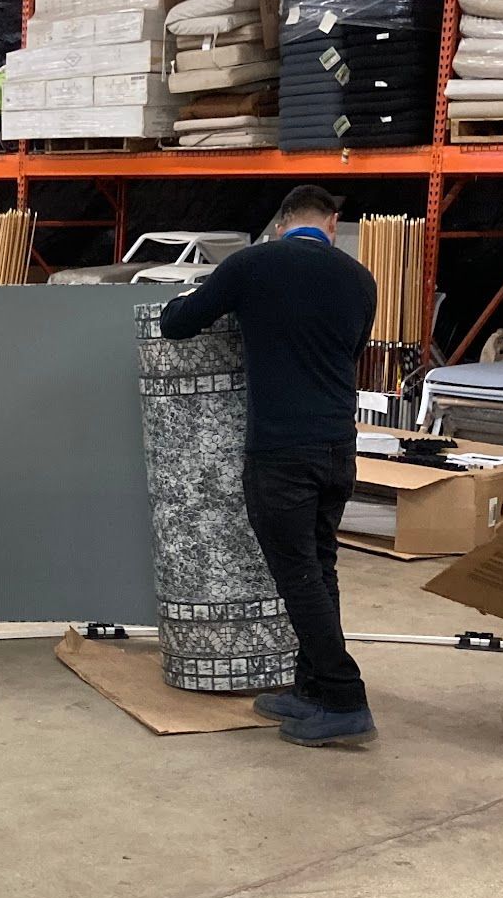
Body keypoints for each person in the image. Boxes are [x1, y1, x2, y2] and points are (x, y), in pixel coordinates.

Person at [158, 184, 378, 749]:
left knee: (297, 577)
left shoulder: (253, 264)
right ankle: (311, 688)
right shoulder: (360, 280)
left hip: (281, 451)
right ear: (331, 223)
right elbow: (348, 353)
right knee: (320, 567)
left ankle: (344, 696)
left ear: (281, 222)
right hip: (337, 448)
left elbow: (179, 322)